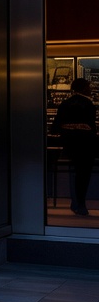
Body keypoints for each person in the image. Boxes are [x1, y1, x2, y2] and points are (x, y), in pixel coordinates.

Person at [52, 78, 97, 215]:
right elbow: (91, 126)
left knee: (73, 172)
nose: (90, 90)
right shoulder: (88, 104)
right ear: (84, 88)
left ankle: (75, 201)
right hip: (85, 144)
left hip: (69, 144)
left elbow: (56, 126)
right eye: (88, 87)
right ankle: (81, 202)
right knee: (84, 173)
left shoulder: (65, 103)